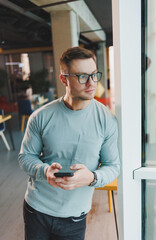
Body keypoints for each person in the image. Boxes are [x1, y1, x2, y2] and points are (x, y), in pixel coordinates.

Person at [19, 46, 120, 240]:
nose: (91, 83)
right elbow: (26, 157)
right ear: (64, 79)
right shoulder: (40, 117)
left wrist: (91, 177)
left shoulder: (106, 119)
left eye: (94, 74)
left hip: (74, 217)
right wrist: (44, 171)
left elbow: (113, 166)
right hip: (37, 210)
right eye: (82, 76)